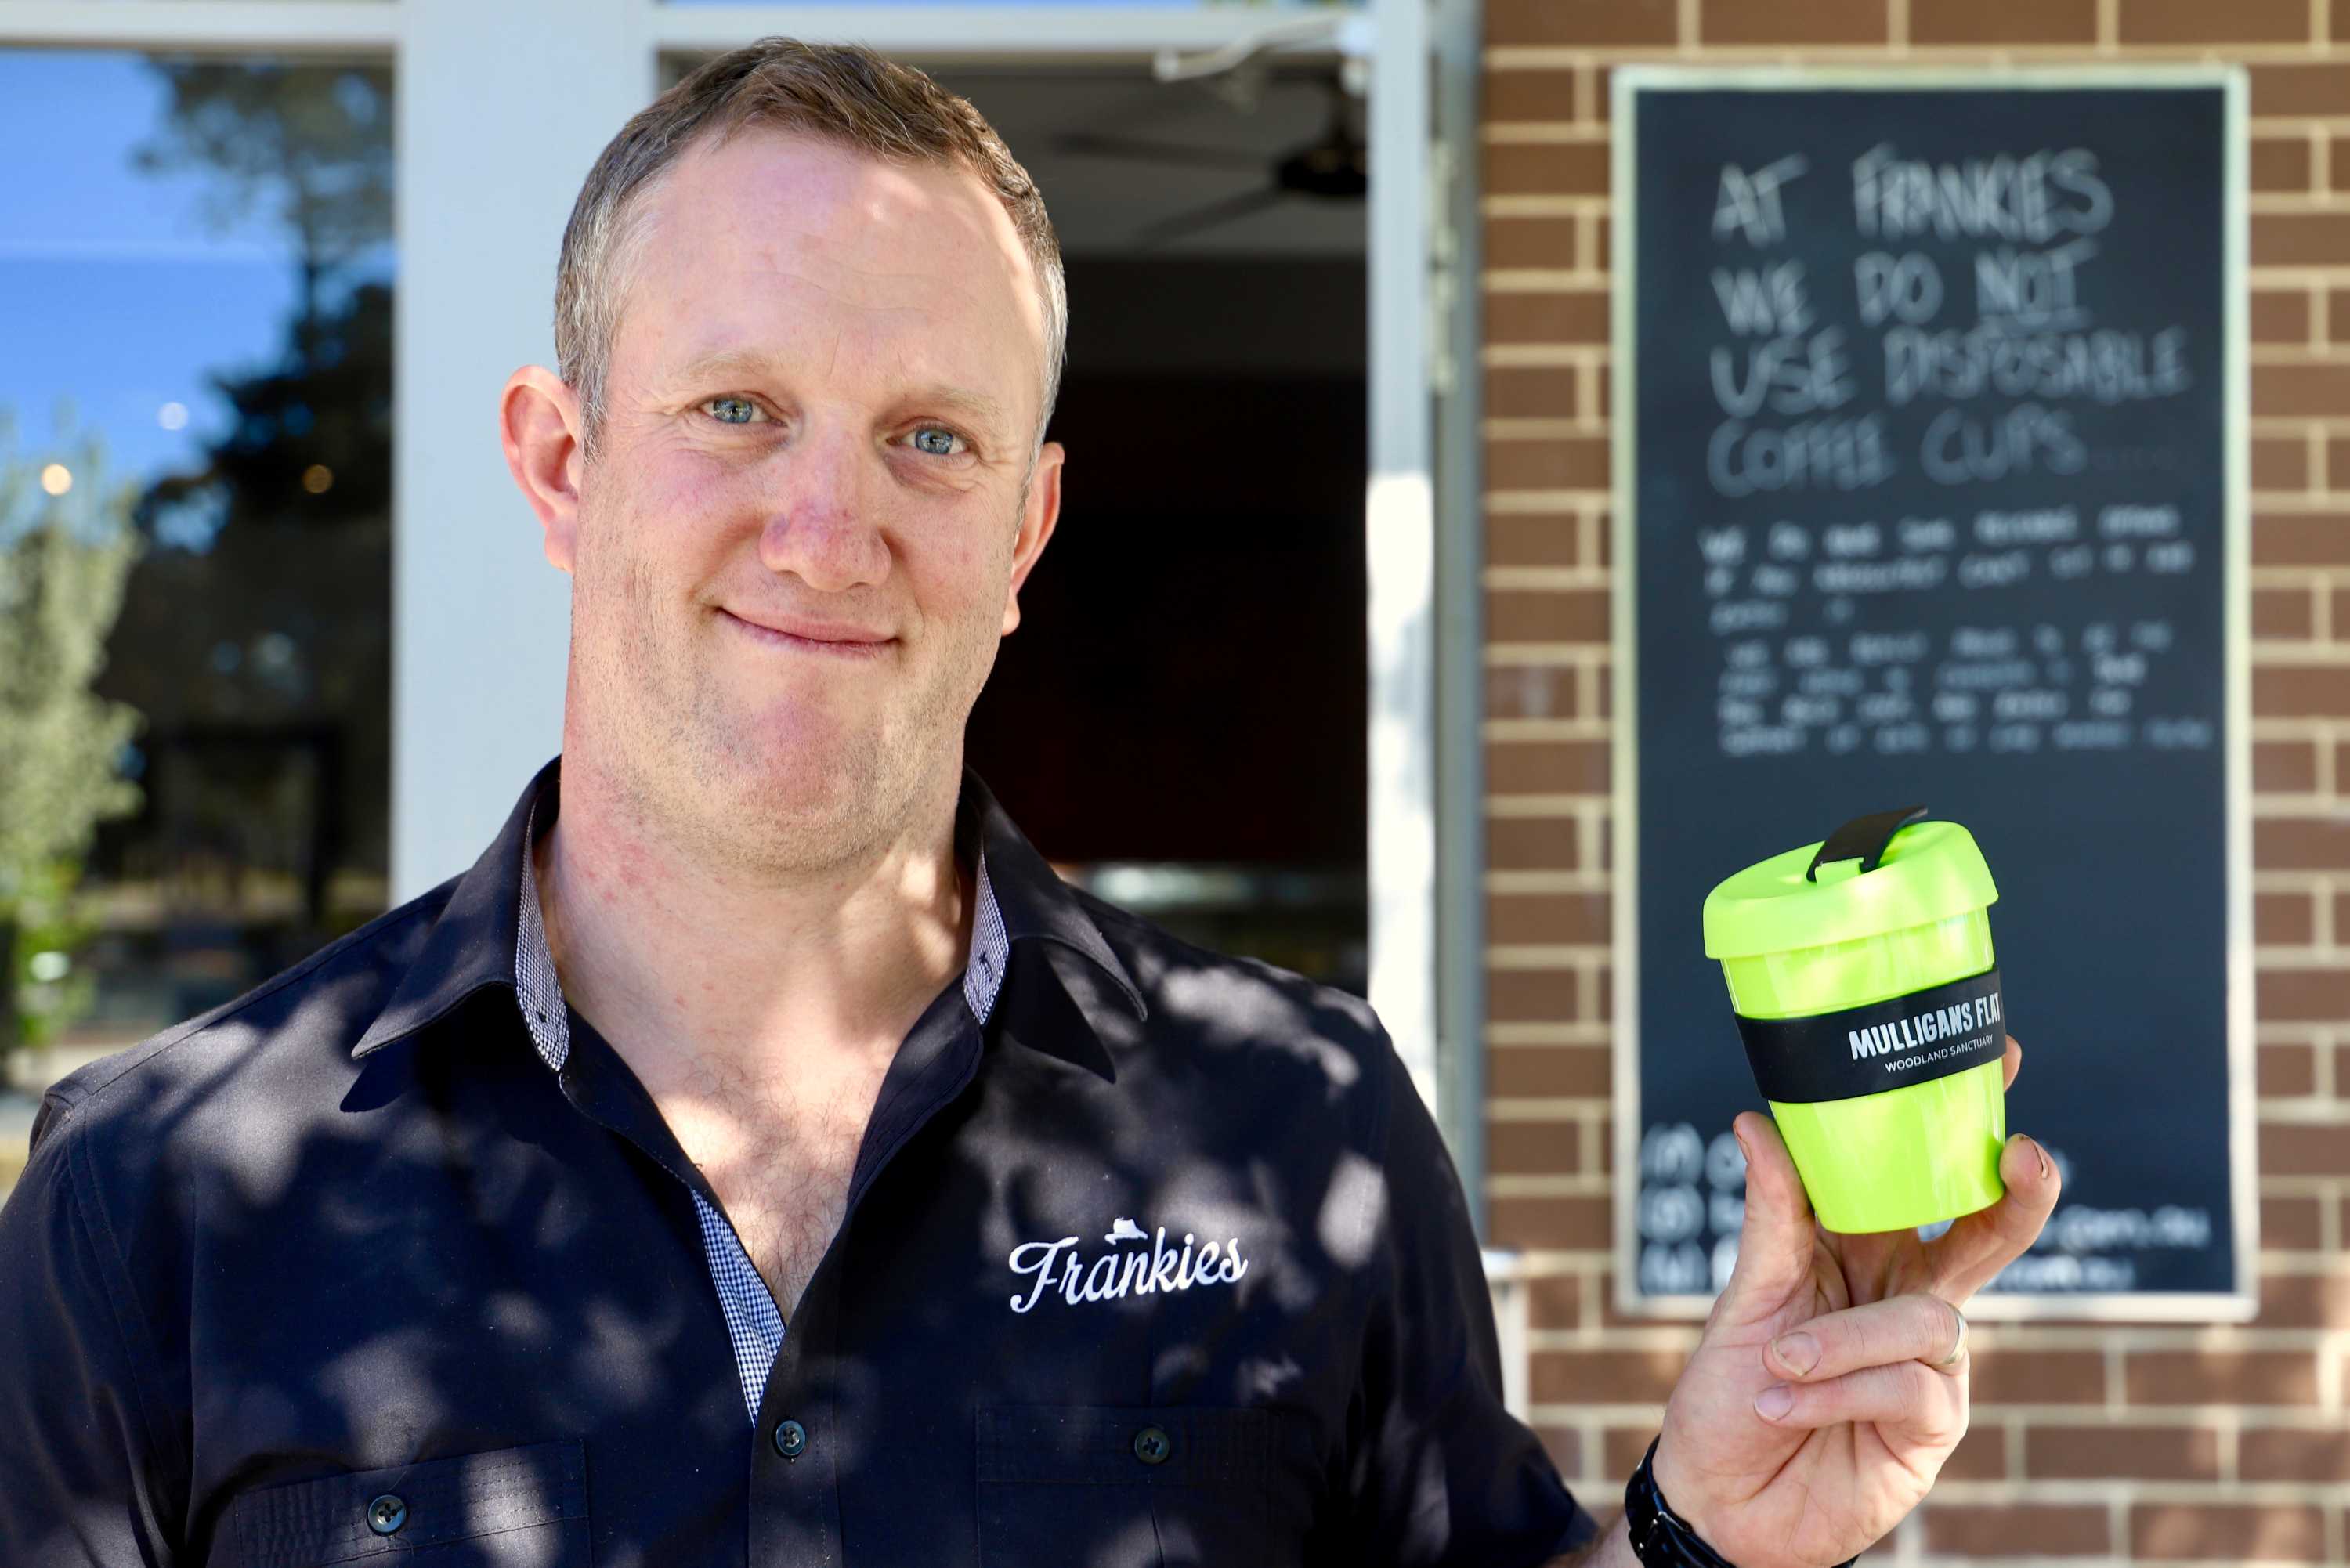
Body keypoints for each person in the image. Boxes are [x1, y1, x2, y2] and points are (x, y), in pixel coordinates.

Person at [0, 37, 2058, 1568]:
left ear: (1028, 525)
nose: (830, 527)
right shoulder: (159, 1190)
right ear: (563, 463)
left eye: (929, 435)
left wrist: (1718, 1524)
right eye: (737, 409)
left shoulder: (1298, 1121)